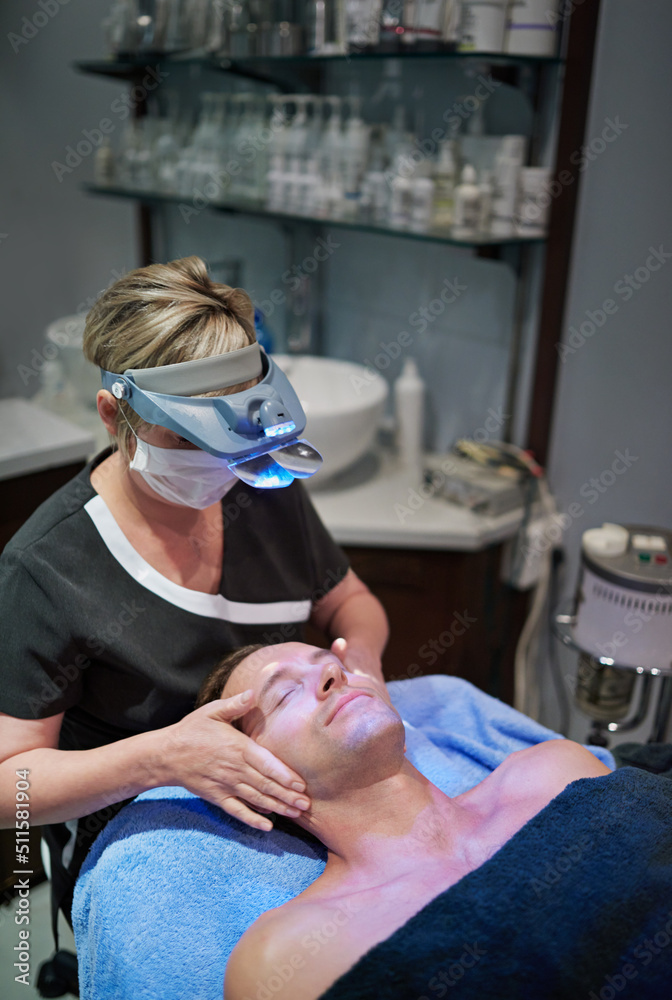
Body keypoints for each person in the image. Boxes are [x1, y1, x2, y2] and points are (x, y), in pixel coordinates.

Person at [0, 257, 388, 935]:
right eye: (187, 440)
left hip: (301, 813)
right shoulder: (47, 569)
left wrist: (364, 677)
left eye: (230, 440)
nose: (219, 467)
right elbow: (12, 789)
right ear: (113, 414)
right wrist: (160, 758)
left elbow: (351, 605)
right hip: (153, 846)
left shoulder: (259, 485)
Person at [194, 641, 612, 1000]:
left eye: (333, 664)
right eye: (284, 695)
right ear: (254, 778)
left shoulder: (555, 773)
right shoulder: (288, 953)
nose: (330, 675)